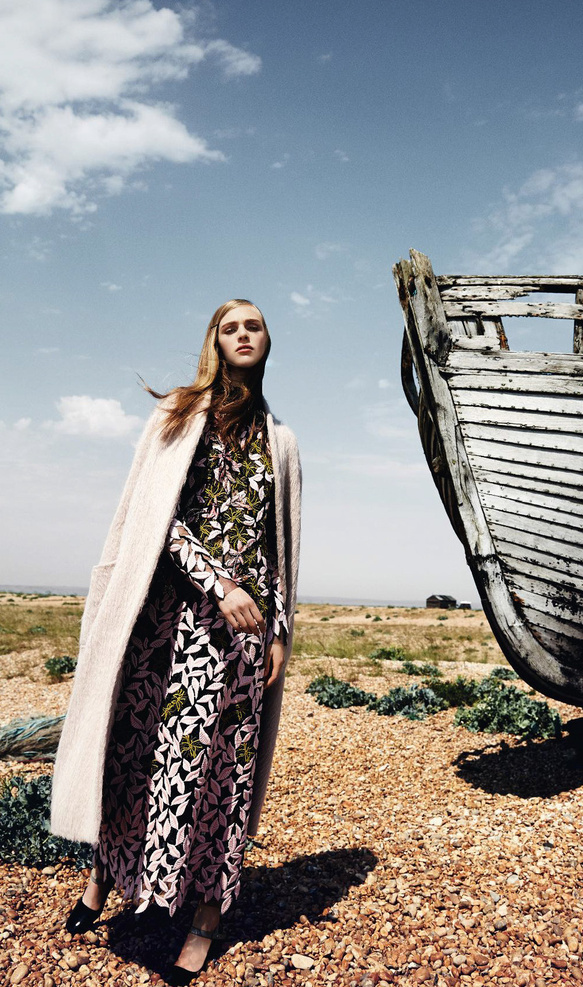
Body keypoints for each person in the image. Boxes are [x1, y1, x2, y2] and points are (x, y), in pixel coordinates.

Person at [49, 299, 302, 983]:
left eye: (253, 325)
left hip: (244, 638)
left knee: (225, 773)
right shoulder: (180, 413)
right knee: (137, 758)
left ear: (267, 340)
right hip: (169, 623)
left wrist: (280, 628)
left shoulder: (280, 439)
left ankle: (205, 918)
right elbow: (155, 519)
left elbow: (279, 547)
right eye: (230, 327)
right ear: (214, 341)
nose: (243, 334)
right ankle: (102, 878)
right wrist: (219, 584)